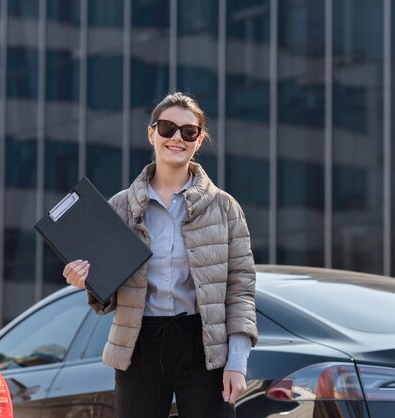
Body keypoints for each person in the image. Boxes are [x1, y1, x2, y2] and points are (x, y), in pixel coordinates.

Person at [62, 91, 257, 418]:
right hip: (138, 347)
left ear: (199, 139)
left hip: (204, 347)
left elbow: (241, 290)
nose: (177, 138)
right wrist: (85, 280)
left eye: (188, 131)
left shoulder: (224, 208)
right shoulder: (120, 207)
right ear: (151, 134)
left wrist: (237, 362)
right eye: (167, 128)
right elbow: (107, 295)